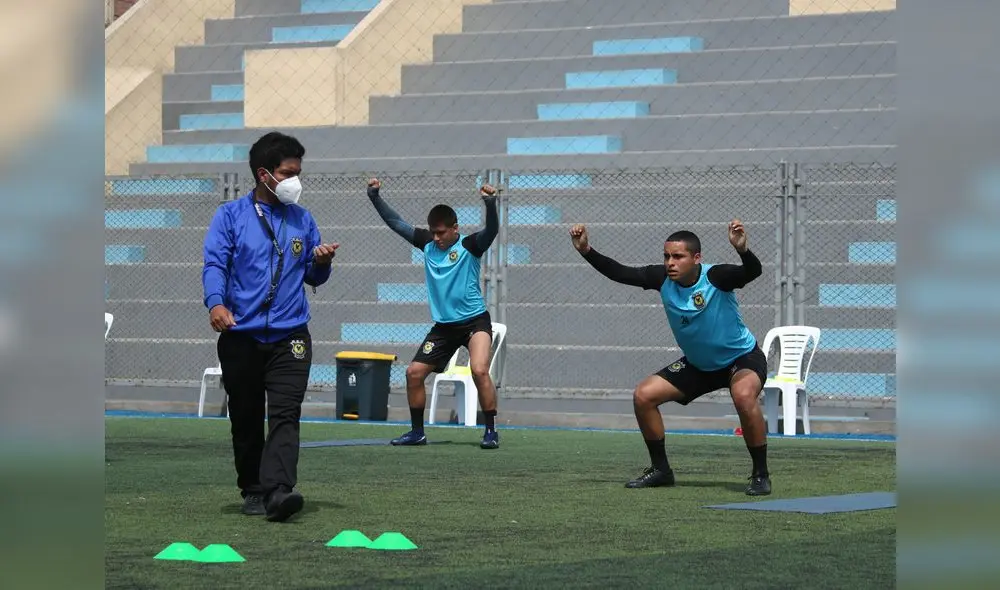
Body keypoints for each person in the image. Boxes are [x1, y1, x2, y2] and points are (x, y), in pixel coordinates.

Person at [570, 220, 772, 495]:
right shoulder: (661, 279)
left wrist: (743, 250)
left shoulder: (716, 277)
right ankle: (661, 470)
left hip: (741, 359)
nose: (670, 263)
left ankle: (760, 474)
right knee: (644, 396)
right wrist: (586, 251)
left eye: (678, 256)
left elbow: (753, 271)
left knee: (743, 395)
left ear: (696, 258)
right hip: (699, 365)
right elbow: (620, 273)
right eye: (666, 256)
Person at [202, 131, 339, 521]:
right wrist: (216, 304)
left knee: (285, 413)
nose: (296, 180)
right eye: (288, 172)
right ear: (264, 174)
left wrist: (323, 262)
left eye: (298, 172)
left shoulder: (303, 219)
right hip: (240, 335)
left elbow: (313, 276)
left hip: (291, 335)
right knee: (245, 416)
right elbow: (215, 265)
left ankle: (279, 492)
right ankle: (253, 488)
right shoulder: (229, 217)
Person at [366, 177, 501, 449]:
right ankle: (417, 432)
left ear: (455, 229)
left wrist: (490, 203)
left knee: (479, 370)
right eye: (433, 232)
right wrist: (375, 197)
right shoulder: (427, 243)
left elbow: (492, 230)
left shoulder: (469, 245)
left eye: (441, 233)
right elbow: (397, 223)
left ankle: (491, 431)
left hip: (475, 321)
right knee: (413, 373)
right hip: (443, 327)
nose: (436, 238)